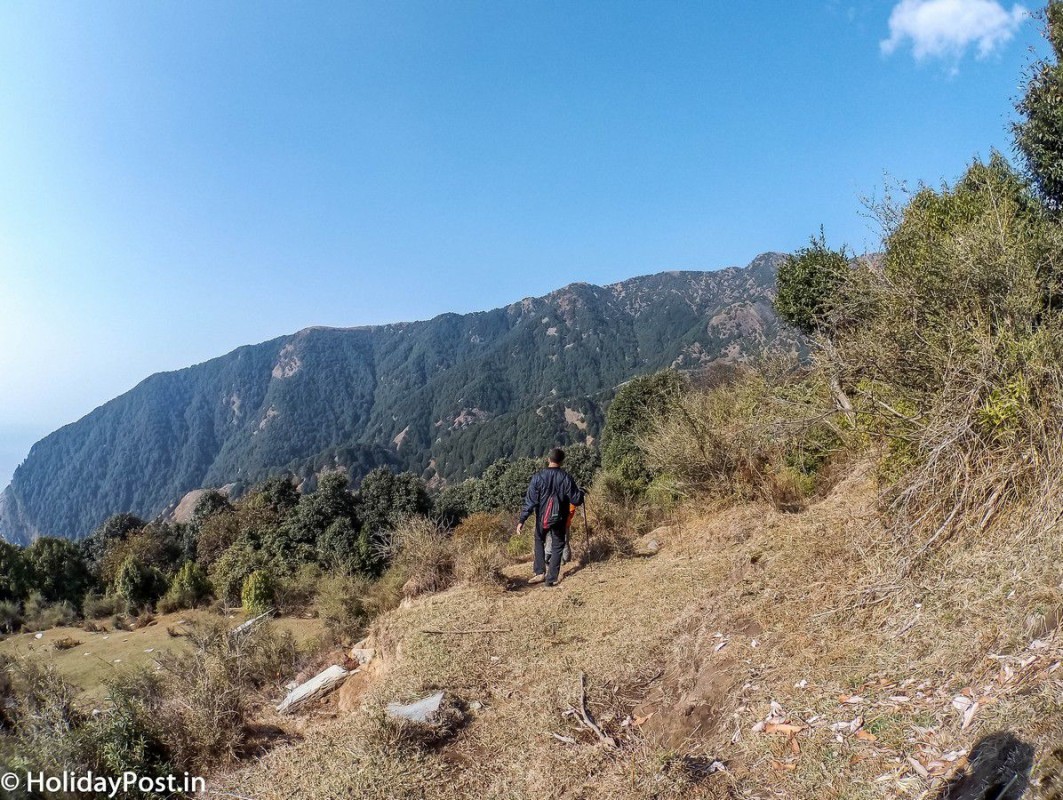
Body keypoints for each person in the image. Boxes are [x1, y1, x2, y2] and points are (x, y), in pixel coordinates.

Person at [517, 447, 584, 587]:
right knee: (557, 545)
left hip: (542, 518)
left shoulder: (538, 477)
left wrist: (522, 520)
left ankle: (540, 572)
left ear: (549, 459)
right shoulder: (565, 477)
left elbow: (531, 501)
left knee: (539, 540)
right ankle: (551, 578)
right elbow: (576, 500)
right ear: (562, 461)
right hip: (560, 518)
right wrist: (581, 492)